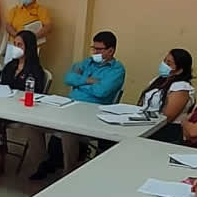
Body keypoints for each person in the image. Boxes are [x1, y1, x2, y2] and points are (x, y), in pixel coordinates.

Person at [29, 31, 125, 180]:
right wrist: (88, 80)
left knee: (68, 132)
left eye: (99, 49)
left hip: (92, 113)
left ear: (111, 50)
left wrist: (79, 82)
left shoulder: (117, 70)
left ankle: (68, 175)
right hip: (69, 106)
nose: (94, 52)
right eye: (94, 48)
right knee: (33, 125)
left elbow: (102, 91)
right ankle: (41, 164)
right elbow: (68, 78)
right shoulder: (87, 62)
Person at [0, 31, 45, 178]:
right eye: (15, 44)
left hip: (20, 109)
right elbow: (2, 85)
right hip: (3, 105)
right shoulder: (10, 66)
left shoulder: (36, 70)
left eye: (19, 44)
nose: (16, 47)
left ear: (29, 47)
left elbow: (36, 93)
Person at [139, 49, 195, 143]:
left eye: (168, 63)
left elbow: (167, 118)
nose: (164, 65)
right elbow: (143, 102)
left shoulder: (181, 87)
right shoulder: (158, 80)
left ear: (179, 70)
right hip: (146, 124)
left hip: (166, 132)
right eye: (164, 61)